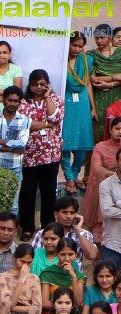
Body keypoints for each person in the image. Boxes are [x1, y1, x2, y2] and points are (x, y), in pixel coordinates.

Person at [18, 70, 65, 232]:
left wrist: (47, 97)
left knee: (48, 192)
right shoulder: (23, 102)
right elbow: (25, 124)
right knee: (28, 192)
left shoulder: (55, 99)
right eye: (35, 84)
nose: (38, 87)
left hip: (50, 155)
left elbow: (56, 119)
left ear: (48, 85)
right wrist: (46, 124)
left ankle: (48, 227)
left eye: (42, 84)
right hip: (29, 155)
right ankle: (27, 227)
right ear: (29, 85)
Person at [0, 86, 30, 215]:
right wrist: (10, 148)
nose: (12, 104)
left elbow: (22, 144)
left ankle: (11, 235)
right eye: (10, 100)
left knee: (13, 206)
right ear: (3, 100)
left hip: (15, 168)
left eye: (16, 101)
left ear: (20, 103)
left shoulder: (24, 120)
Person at [63, 32, 97, 193]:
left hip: (82, 102)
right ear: (68, 44)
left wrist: (93, 107)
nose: (76, 49)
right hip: (66, 101)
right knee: (65, 141)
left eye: (80, 46)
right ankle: (69, 178)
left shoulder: (86, 61)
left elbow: (88, 83)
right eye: (74, 45)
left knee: (83, 142)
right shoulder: (60, 60)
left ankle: (75, 174)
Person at [83, 118, 121, 243]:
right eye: (117, 128)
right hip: (105, 186)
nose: (120, 132)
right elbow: (97, 169)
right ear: (110, 130)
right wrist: (115, 175)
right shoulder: (100, 147)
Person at [90, 24, 121, 134]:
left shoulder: (119, 53)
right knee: (100, 126)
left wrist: (110, 84)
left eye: (102, 37)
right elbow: (93, 79)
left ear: (110, 37)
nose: (99, 41)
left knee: (118, 125)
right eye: (97, 38)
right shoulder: (92, 55)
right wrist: (115, 76)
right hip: (99, 97)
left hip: (118, 95)